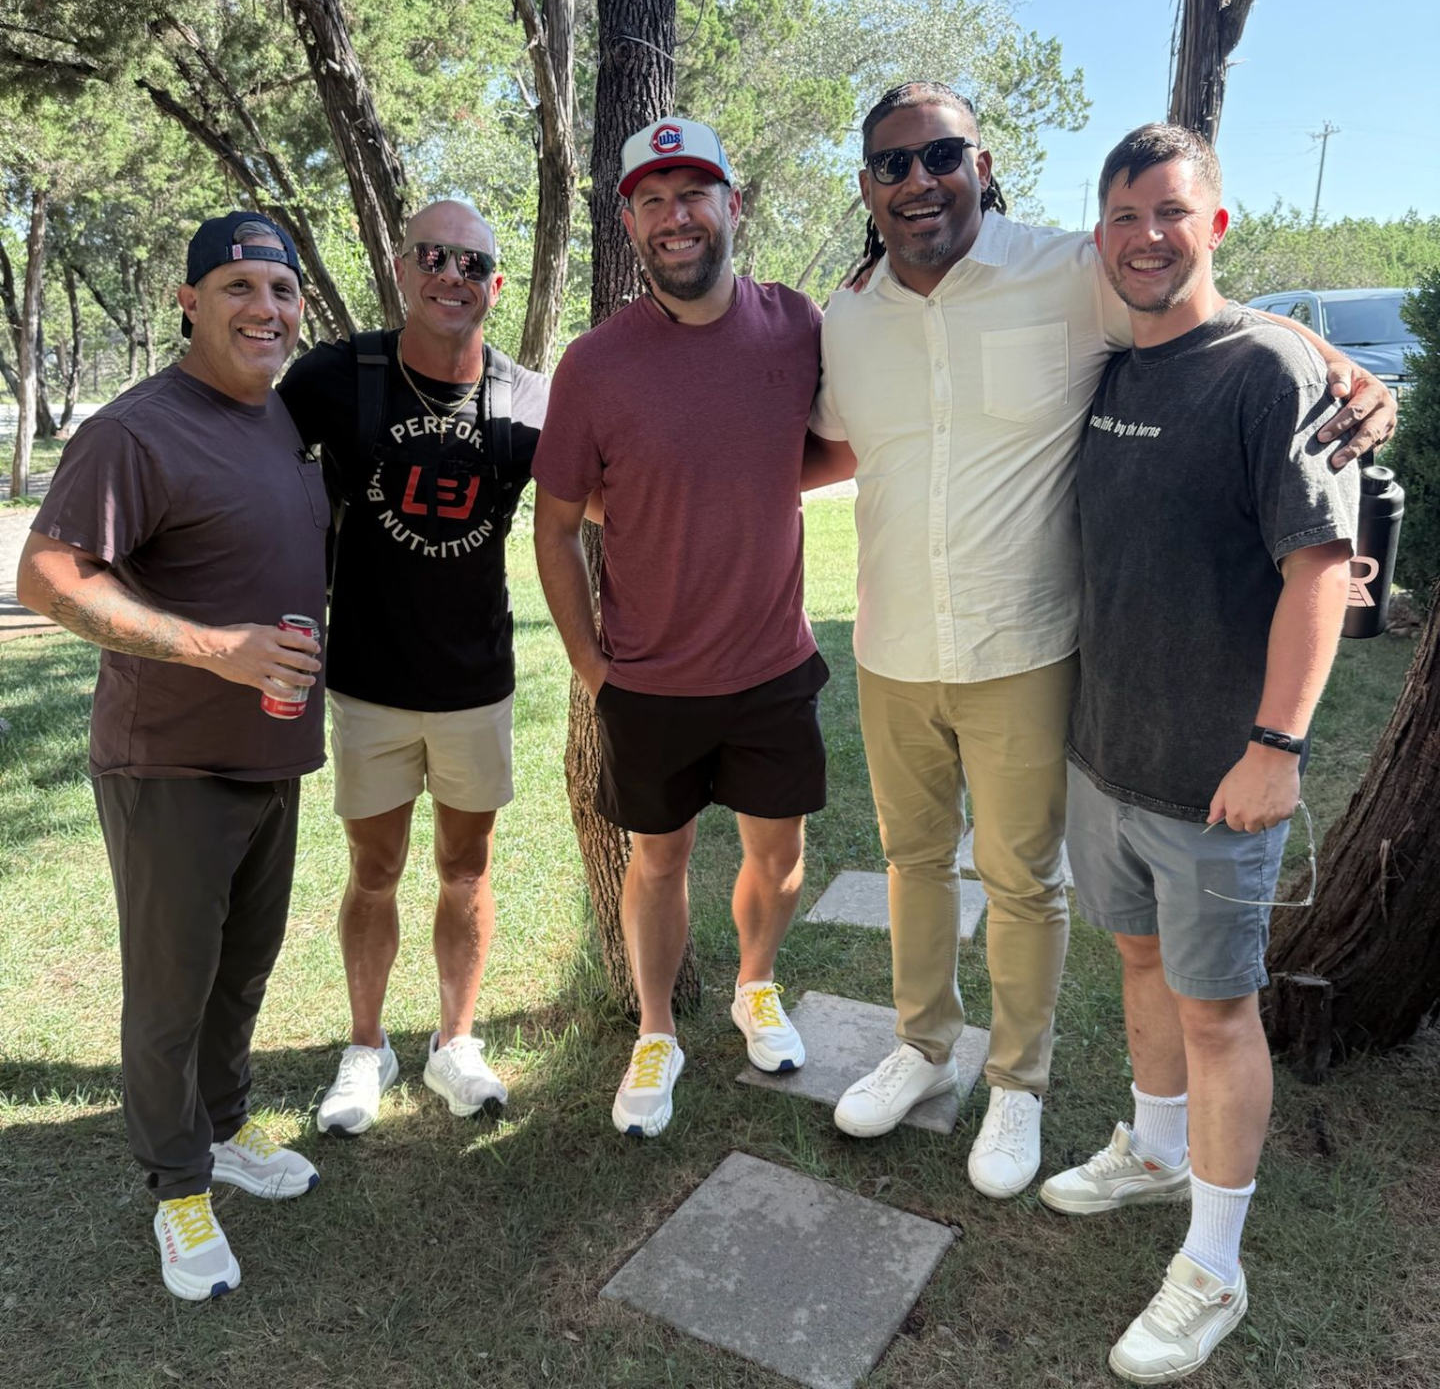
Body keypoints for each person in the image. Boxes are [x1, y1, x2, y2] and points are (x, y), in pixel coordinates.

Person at [809, 83, 1394, 1199]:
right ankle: (923, 1047)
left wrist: (1345, 368)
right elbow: (837, 445)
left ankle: (1017, 1086)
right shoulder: (849, 316)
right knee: (911, 862)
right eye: (893, 164)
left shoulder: (1069, 271)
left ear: (981, 166)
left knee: (1022, 879)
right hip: (893, 645)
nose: (919, 179)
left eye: (941, 155)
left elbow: (1211, 312)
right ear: (870, 188)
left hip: (1027, 646)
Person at [1036, 123, 1359, 1385]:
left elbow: (1319, 570)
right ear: (1100, 235)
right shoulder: (1114, 369)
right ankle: (1155, 1151)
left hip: (1220, 776)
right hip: (1106, 754)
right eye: (1123, 217)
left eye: (1170, 212)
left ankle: (1215, 1266)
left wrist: (1277, 746)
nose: (1146, 237)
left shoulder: (1269, 370)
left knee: (1219, 1013)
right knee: (1138, 964)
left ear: (1214, 224)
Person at [17, 212, 327, 1301]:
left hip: (271, 755)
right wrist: (217, 651)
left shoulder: (278, 416)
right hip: (169, 766)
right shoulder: (136, 431)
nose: (264, 309)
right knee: (170, 992)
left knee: (243, 970)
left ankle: (224, 1131)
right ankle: (177, 1188)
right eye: (238, 286)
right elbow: (48, 577)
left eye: (281, 291)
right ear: (189, 302)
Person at [532, 118, 845, 1138]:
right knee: (658, 862)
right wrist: (592, 667)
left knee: (779, 857)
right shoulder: (595, 364)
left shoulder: (797, 326)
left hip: (773, 665)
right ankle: (656, 1031)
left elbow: (843, 441)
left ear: (732, 206)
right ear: (630, 223)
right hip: (649, 681)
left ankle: (757, 985)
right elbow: (554, 522)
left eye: (695, 193)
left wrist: (749, 485)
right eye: (653, 200)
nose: (676, 216)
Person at [277, 201, 549, 1135]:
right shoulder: (338, 376)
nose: (450, 276)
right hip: (368, 681)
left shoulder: (527, 399)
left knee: (467, 869)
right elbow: (245, 464)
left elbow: (607, 499)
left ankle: (454, 1043)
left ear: (496, 285)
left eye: (471, 263)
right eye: (432, 256)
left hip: (475, 683)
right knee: (375, 869)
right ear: (402, 268)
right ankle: (367, 1048)